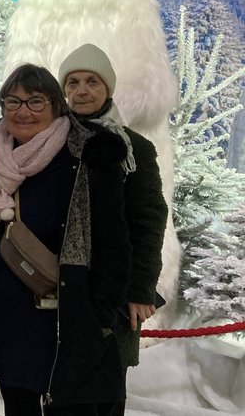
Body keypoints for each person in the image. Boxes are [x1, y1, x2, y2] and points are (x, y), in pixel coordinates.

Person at [0, 64, 130, 415]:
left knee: (72, 407)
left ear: (57, 106)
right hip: (7, 315)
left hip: (67, 314)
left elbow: (113, 242)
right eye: (13, 101)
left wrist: (101, 314)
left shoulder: (87, 153)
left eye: (36, 102)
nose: (23, 112)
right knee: (18, 406)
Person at [59, 44, 167, 377]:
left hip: (116, 283)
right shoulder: (51, 140)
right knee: (58, 382)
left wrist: (141, 288)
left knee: (106, 381)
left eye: (92, 81)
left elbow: (148, 219)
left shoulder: (135, 148)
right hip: (60, 282)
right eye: (73, 82)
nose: (82, 90)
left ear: (107, 87)